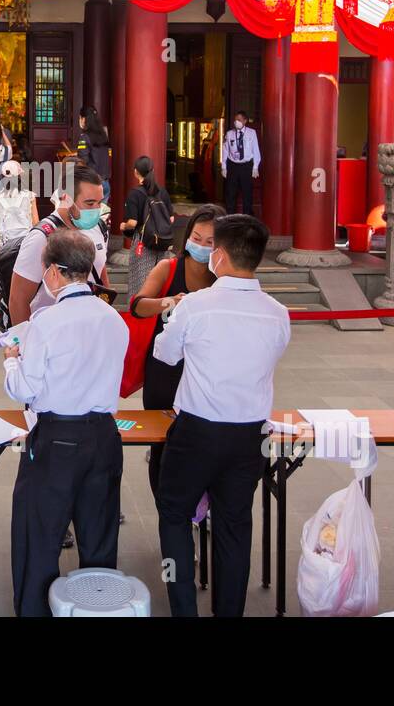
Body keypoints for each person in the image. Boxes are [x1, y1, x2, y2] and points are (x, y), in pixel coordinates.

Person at [153, 214, 290, 617]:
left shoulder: (196, 306)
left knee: (175, 515)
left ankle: (184, 609)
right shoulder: (278, 313)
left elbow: (165, 354)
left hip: (197, 432)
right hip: (250, 436)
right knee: (234, 526)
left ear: (221, 256)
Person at [2, 229, 129, 616]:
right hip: (104, 437)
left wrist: (11, 358)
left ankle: (36, 609)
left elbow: (24, 387)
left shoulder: (46, 322)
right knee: (99, 535)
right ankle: (98, 607)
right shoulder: (114, 319)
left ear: (54, 272)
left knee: (39, 533)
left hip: (57, 438)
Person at [131, 203, 224, 495]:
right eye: (196, 238)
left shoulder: (225, 277)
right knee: (164, 444)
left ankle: (201, 505)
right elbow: (137, 306)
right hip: (165, 371)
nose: (201, 245)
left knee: (206, 443)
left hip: (207, 372)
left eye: (210, 242)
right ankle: (166, 508)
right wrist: (170, 302)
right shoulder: (168, 267)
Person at [7, 164, 108, 327]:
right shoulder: (42, 237)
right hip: (49, 334)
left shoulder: (99, 228)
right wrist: (26, 343)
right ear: (65, 198)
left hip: (89, 328)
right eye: (89, 203)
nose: (96, 210)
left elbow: (100, 274)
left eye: (99, 202)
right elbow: (18, 299)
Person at [120, 155, 175, 297]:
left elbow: (132, 223)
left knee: (140, 282)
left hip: (143, 242)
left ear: (136, 172)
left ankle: (139, 312)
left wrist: (123, 226)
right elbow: (171, 218)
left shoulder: (135, 194)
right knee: (162, 281)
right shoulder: (162, 192)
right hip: (162, 241)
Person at [0, 159, 38, 261]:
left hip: (3, 244)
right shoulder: (29, 196)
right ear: (19, 177)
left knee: (4, 275)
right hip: (25, 243)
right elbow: (36, 222)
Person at [221, 111, 260, 215]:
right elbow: (225, 151)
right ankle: (230, 218)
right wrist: (224, 167)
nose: (236, 122)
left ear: (245, 121)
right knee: (231, 194)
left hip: (246, 166)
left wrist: (255, 166)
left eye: (239, 120)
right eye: (235, 120)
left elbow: (255, 150)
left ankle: (246, 218)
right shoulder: (229, 134)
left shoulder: (252, 133)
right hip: (233, 165)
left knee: (247, 193)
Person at [76, 105, 112, 204]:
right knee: (101, 216)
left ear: (83, 119)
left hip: (92, 183)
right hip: (105, 183)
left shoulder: (84, 137)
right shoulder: (103, 136)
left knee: (90, 216)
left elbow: (83, 161)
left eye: (79, 118)